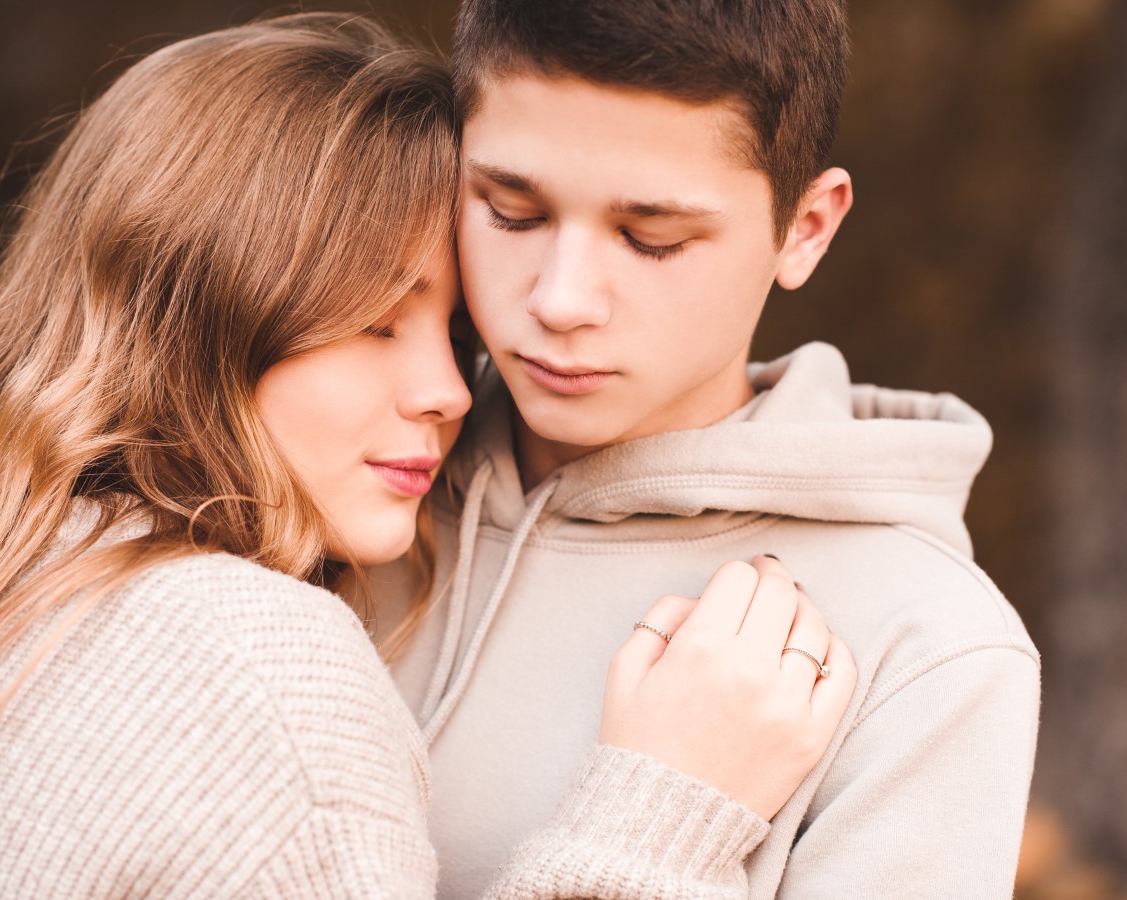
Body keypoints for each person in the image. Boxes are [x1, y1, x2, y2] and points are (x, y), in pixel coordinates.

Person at [0, 13, 857, 897]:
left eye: (455, 334)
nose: (450, 391)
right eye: (374, 324)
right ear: (193, 317)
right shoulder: (262, 669)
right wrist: (657, 819)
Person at [361, 1, 1042, 896]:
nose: (560, 300)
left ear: (805, 227)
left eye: (652, 239)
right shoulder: (326, 483)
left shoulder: (924, 647)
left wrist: (661, 817)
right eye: (511, 212)